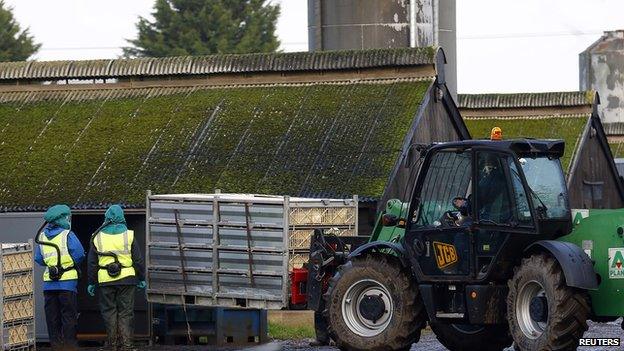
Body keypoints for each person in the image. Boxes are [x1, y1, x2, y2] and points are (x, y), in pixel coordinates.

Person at [87, 205, 146, 351]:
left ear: (106, 217)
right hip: (127, 279)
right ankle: (127, 345)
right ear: (121, 217)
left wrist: (91, 282)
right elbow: (137, 260)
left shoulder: (97, 236)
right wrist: (141, 277)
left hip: (105, 280)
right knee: (126, 313)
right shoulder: (128, 235)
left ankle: (112, 346)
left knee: (109, 312)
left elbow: (92, 263)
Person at [34, 204, 85, 351]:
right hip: (67, 284)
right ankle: (70, 347)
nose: (68, 219)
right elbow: (79, 254)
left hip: (49, 285)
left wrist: (52, 263)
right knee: (69, 317)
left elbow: (39, 259)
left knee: (52, 318)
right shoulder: (67, 234)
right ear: (61, 219)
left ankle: (56, 347)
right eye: (66, 217)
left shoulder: (42, 236)